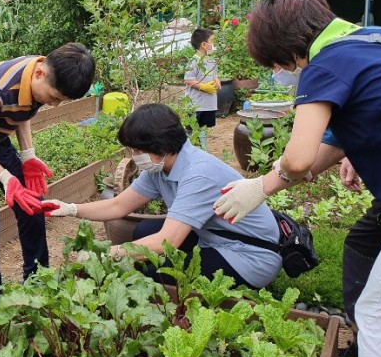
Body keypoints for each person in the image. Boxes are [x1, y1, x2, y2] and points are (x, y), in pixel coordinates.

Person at [211, 0, 381, 357]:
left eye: (276, 63)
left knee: (380, 320)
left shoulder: (324, 64)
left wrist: (259, 187)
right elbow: (343, 138)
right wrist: (350, 145)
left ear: (287, 48)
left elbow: (300, 157)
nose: (279, 72)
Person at [43, 103, 282, 288]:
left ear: (163, 146)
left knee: (148, 273)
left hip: (250, 256)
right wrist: (70, 208)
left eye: (139, 150)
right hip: (216, 237)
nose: (135, 156)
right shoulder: (160, 167)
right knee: (143, 231)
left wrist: (105, 255)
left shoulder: (198, 174)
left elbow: (165, 242)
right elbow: (117, 206)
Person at [0, 43, 95, 313]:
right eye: (54, 97)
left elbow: (22, 110)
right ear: (39, 73)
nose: (54, 104)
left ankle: (37, 280)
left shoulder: (38, 74)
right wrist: (6, 178)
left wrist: (28, 156)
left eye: (60, 101)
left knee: (33, 205)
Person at [183, 28, 220, 150]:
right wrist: (203, 86)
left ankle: (202, 148)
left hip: (208, 104)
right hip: (196, 104)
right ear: (204, 45)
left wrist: (217, 81)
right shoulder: (194, 61)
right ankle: (190, 149)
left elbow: (215, 76)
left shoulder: (211, 60)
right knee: (192, 128)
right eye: (213, 42)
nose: (215, 45)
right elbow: (188, 79)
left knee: (203, 127)